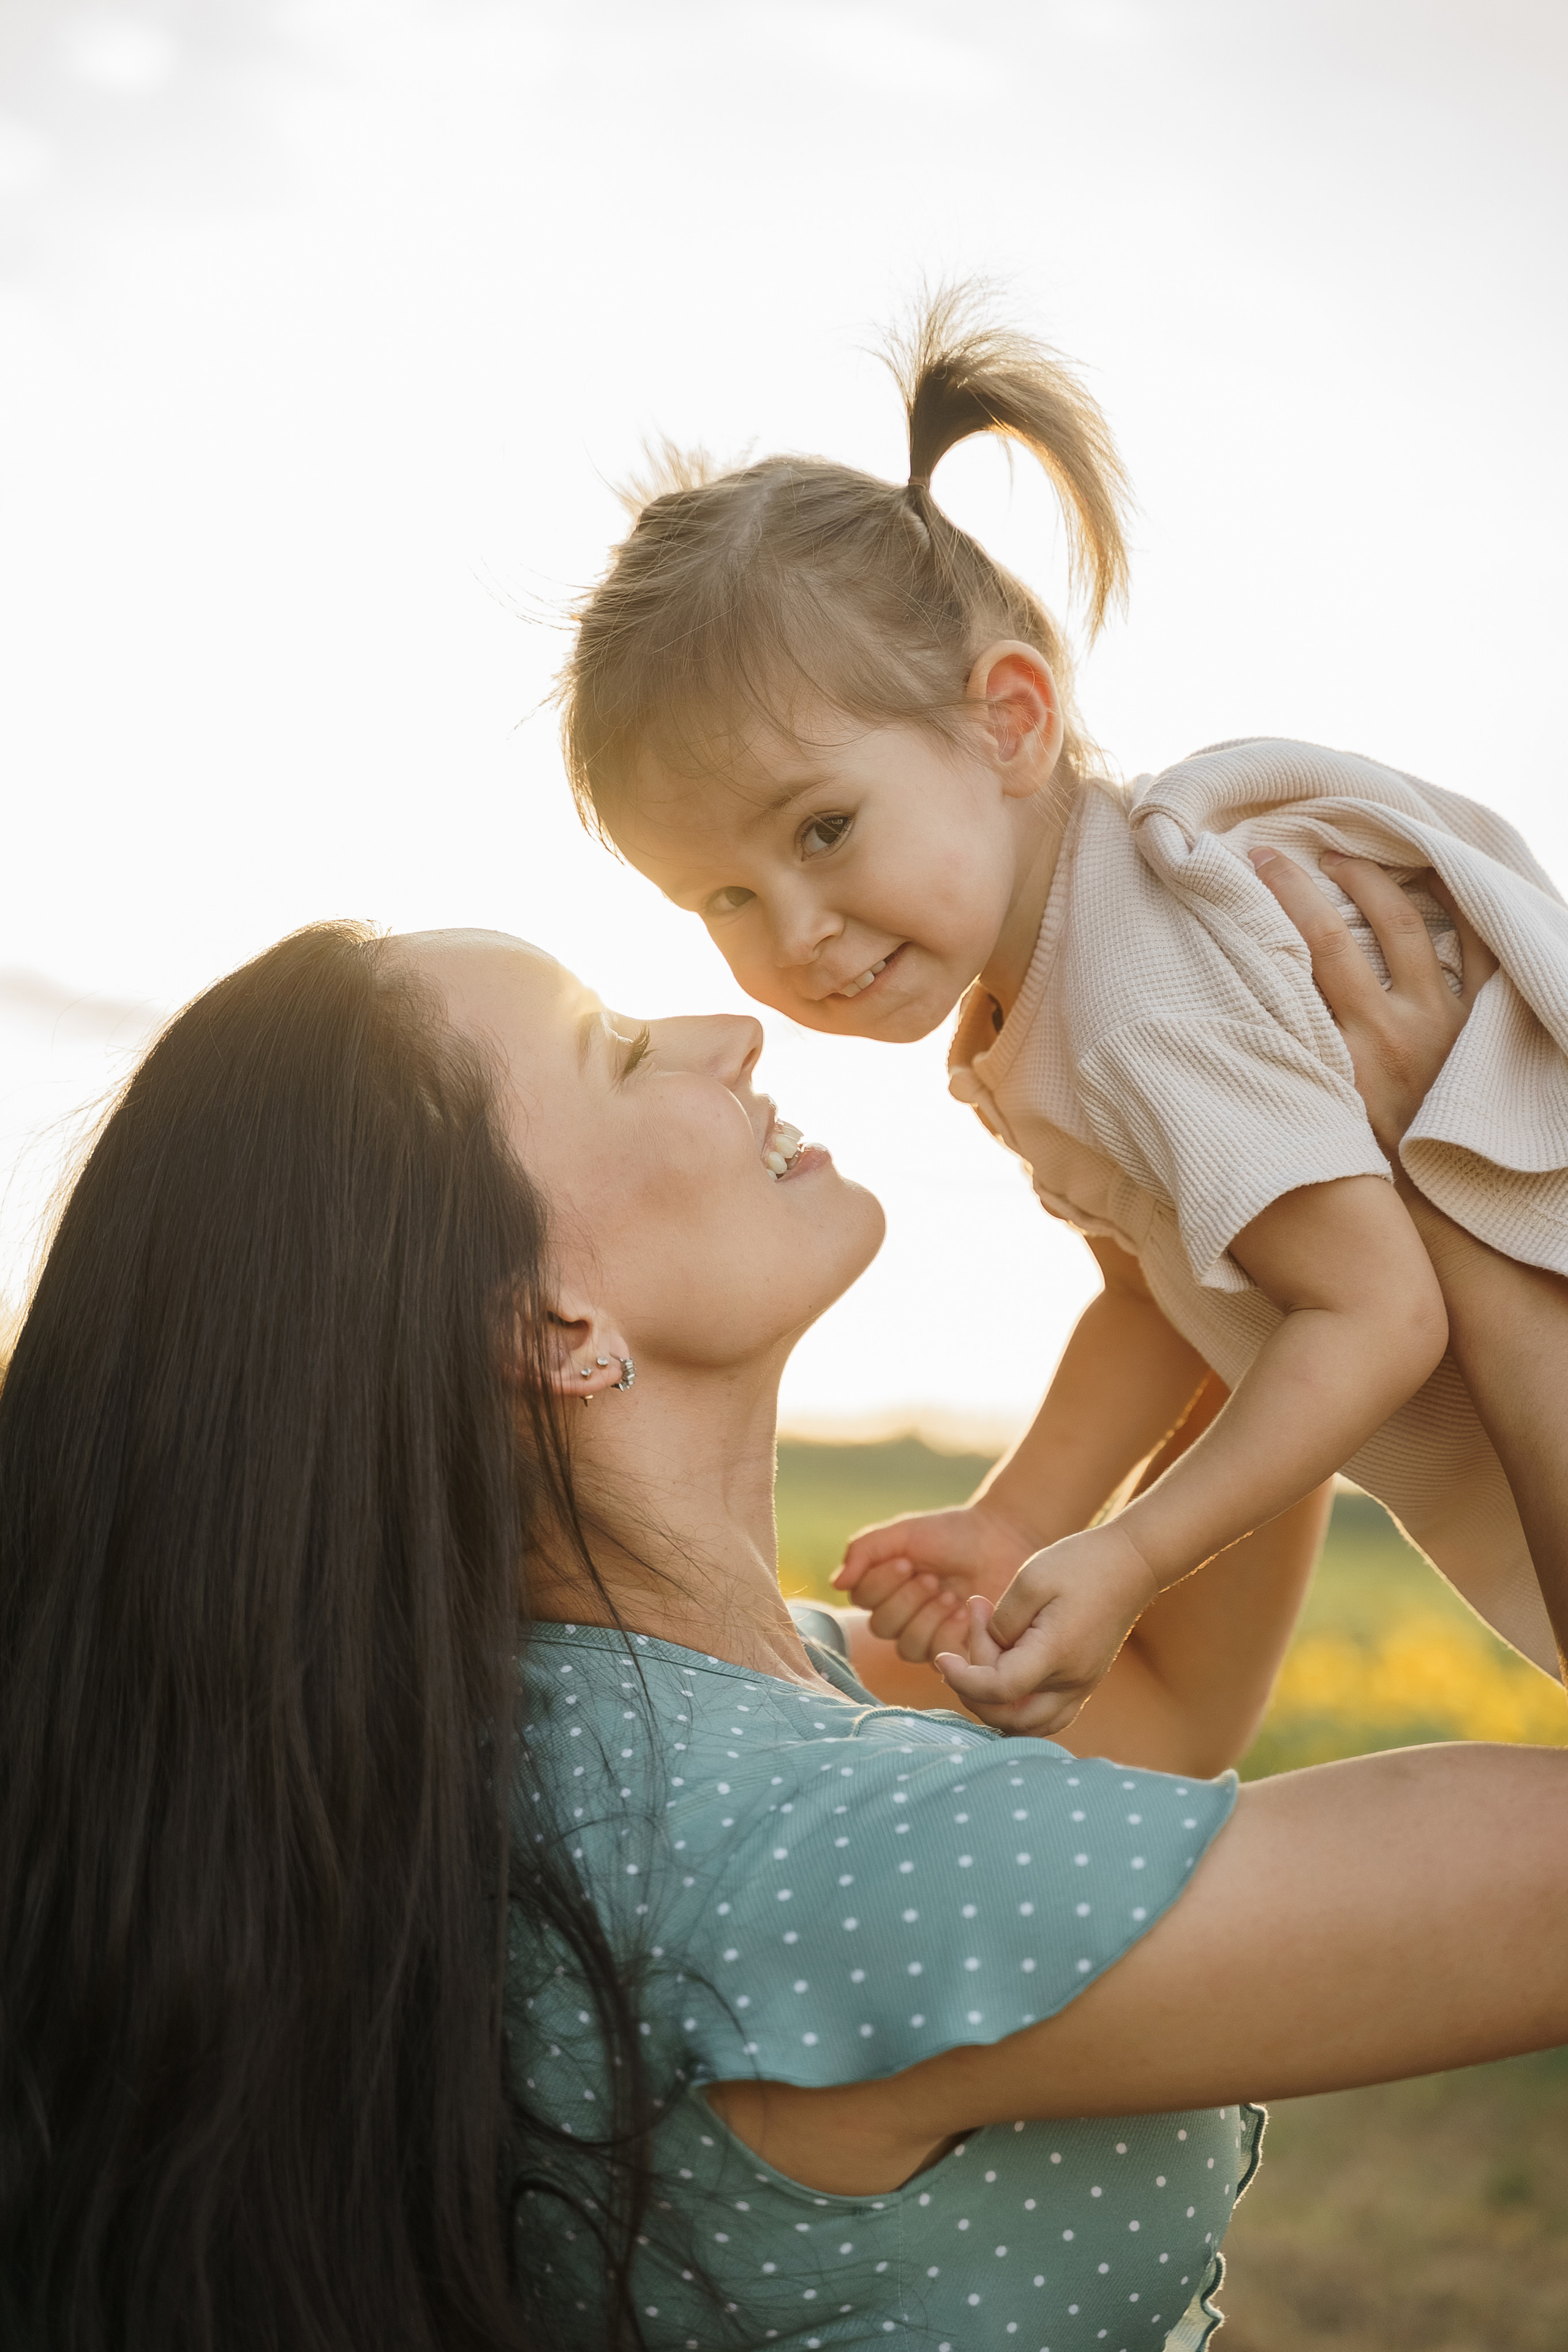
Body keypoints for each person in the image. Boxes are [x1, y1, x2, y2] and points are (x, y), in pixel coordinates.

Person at [8, 917, 1568, 2352]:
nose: (731, 1030)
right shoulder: (793, 1858)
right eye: (621, 1049)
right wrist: (1479, 1222)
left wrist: (1261, 1191)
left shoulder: (557, 1731)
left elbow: (1158, 1701)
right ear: (548, 1323)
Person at [557, 288, 1568, 1733]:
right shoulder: (1050, 992)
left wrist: (1134, 1550)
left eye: (823, 829)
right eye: (721, 898)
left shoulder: (1131, 994)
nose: (795, 934)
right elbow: (1159, 1292)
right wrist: (1019, 1518)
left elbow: (1374, 1310)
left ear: (1009, 721)